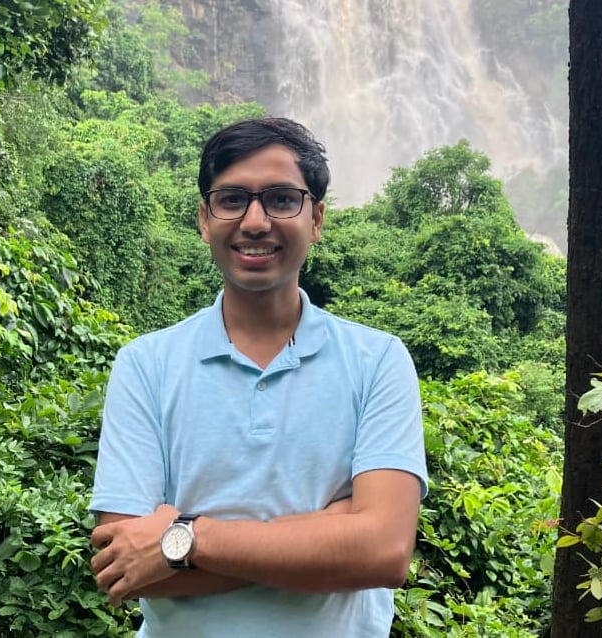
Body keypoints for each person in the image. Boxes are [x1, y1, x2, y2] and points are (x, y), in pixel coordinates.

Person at [89, 117, 428, 637]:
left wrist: (185, 540)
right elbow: (126, 563)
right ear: (204, 220)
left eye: (281, 199)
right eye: (231, 200)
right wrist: (329, 533)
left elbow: (383, 551)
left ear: (316, 219)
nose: (254, 221)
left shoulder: (378, 361)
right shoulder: (146, 364)